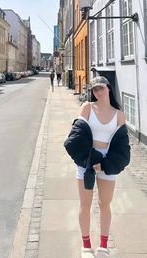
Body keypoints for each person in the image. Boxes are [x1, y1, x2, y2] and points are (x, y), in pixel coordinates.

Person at [64, 76, 130, 258]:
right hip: (86, 162)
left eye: (101, 88)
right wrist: (91, 161)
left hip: (107, 165)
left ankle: (103, 246)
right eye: (94, 90)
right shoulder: (87, 108)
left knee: (105, 204)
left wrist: (105, 164)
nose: (98, 92)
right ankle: (86, 246)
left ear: (108, 88)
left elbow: (122, 147)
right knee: (85, 204)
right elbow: (75, 138)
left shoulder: (118, 114)